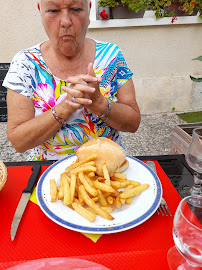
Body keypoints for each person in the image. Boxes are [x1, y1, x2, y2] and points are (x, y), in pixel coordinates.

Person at [3, 0, 141, 161]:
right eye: (54, 11)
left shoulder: (112, 56)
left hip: (107, 168)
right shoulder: (25, 63)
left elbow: (133, 123)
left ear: (89, 10)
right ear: (40, 11)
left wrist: (98, 102)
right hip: (48, 171)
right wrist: (64, 108)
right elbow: (18, 141)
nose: (66, 22)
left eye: (76, 9)